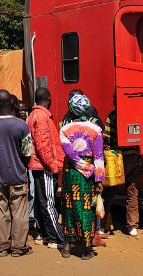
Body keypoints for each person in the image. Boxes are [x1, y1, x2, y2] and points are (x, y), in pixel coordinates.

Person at [0, 90, 34, 257]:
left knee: (0, 212)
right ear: (13, 104)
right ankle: (18, 247)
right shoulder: (22, 125)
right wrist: (21, 166)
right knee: (19, 213)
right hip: (17, 175)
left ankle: (1, 247)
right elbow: (27, 152)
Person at [60, 93, 105, 260]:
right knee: (86, 209)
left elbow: (70, 154)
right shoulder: (96, 130)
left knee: (69, 207)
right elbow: (99, 156)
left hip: (70, 172)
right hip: (88, 174)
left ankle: (67, 246)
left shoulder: (64, 130)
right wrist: (97, 177)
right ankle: (86, 249)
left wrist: (82, 167)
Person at [27, 87, 65, 249]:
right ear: (48, 98)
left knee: (40, 202)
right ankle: (55, 238)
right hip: (44, 167)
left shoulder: (32, 115)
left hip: (37, 166)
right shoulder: (42, 116)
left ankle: (42, 234)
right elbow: (43, 146)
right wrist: (53, 166)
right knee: (48, 202)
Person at [103, 109, 140, 237]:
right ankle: (132, 225)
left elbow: (107, 138)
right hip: (133, 156)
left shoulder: (112, 115)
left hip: (116, 157)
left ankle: (103, 224)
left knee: (110, 191)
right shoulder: (135, 114)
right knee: (132, 189)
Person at [11, 95, 37, 232]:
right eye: (20, 109)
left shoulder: (28, 122)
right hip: (18, 164)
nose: (22, 112)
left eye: (24, 110)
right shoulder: (14, 125)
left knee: (31, 191)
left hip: (29, 162)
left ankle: (31, 217)